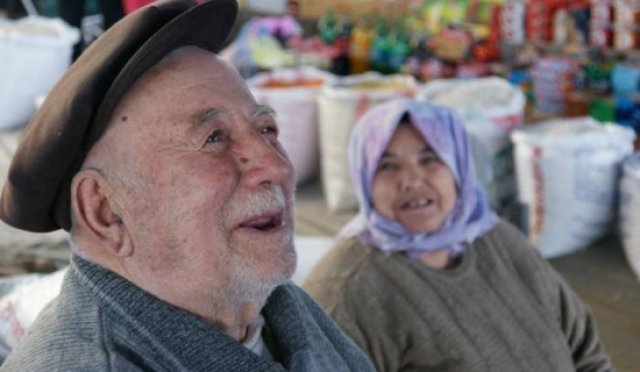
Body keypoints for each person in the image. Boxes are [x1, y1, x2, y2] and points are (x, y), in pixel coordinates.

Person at [0, 1, 374, 370]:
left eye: (266, 130)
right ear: (105, 211)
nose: (276, 167)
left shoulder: (275, 306)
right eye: (214, 139)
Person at [303, 98, 612, 372]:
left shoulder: (497, 237)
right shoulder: (343, 292)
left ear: (459, 168)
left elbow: (586, 352)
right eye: (387, 166)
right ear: (364, 179)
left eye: (429, 159)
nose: (410, 180)